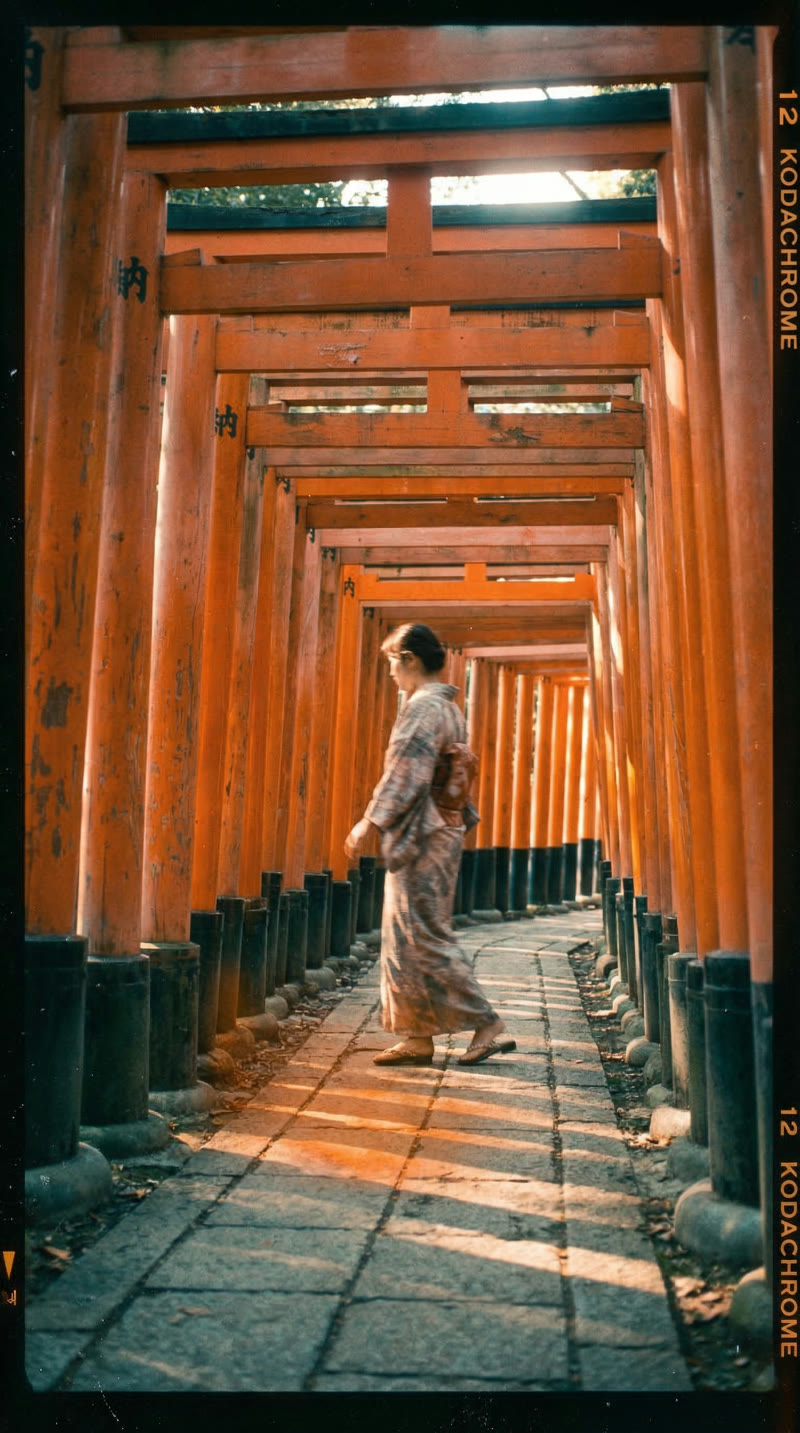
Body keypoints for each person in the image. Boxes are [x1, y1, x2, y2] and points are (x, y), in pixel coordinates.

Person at [344, 622, 516, 1068]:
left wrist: (369, 820)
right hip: (442, 827)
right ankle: (417, 1034)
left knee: (421, 932)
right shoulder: (449, 709)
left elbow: (407, 772)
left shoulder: (422, 708)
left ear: (410, 659)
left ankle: (486, 1023)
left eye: (391, 664)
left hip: (423, 833)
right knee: (408, 932)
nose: (391, 675)